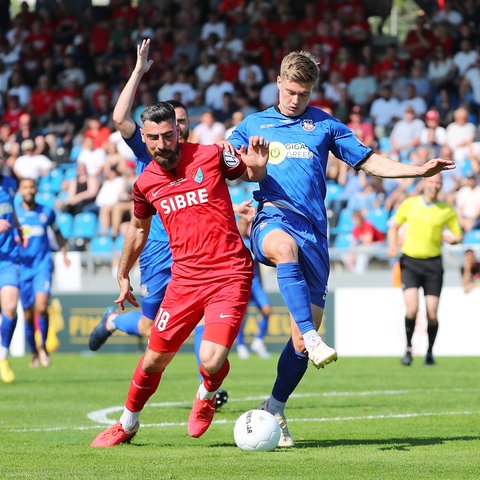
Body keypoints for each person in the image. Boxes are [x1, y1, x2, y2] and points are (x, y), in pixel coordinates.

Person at [225, 50, 457, 447]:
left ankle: (275, 407)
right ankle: (313, 338)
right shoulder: (253, 125)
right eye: (291, 90)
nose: (296, 99)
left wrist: (417, 171)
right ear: (278, 82)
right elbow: (227, 169)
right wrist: (252, 172)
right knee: (284, 251)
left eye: (304, 93)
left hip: (315, 233)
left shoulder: (324, 125)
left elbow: (369, 162)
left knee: (297, 343)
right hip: (272, 217)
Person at [90, 101, 269, 448]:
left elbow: (249, 174)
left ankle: (206, 393)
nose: (162, 144)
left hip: (229, 273)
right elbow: (138, 230)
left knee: (211, 358)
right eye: (154, 137)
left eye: (168, 135)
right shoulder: (144, 183)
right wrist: (123, 273)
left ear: (179, 130)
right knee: (154, 359)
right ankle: (127, 424)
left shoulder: (213, 154)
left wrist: (259, 169)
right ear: (144, 137)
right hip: (185, 280)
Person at [88, 40, 250, 410]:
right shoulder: (149, 153)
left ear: (184, 128)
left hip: (201, 258)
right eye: (166, 126)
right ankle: (115, 322)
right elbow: (118, 118)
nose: (171, 132)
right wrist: (139, 71)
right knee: (150, 331)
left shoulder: (201, 158)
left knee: (200, 322)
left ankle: (205, 386)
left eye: (179, 124)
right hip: (160, 250)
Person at [387, 174, 463, 367]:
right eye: (431, 181)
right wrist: (392, 246)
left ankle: (429, 351)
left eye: (438, 182)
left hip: (433, 265)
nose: (434, 185)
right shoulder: (410, 204)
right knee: (412, 309)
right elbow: (394, 226)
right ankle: (409, 349)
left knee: (432, 312)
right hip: (410, 262)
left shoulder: (446, 210)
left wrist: (453, 238)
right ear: (425, 183)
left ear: (441, 186)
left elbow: (458, 233)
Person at [15, 177, 71, 367]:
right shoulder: (14, 214)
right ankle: (33, 352)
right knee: (28, 314)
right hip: (22, 268)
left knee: (41, 306)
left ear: (36, 190)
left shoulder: (46, 212)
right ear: (20, 191)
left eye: (32, 187)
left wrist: (64, 253)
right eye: (25, 187)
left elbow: (57, 233)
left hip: (42, 265)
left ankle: (44, 348)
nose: (29, 190)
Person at [235, 215, 271, 360]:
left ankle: (258, 341)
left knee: (267, 310)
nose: (244, 226)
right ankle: (241, 345)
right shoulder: (234, 241)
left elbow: (257, 265)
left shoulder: (251, 242)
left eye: (246, 223)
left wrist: (262, 283)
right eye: (242, 223)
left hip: (255, 283)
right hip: (241, 283)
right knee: (241, 316)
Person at [0, 173, 21, 383]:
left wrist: (17, 227)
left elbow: (10, 210)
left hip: (8, 258)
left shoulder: (9, 183)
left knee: (10, 307)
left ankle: (3, 357)